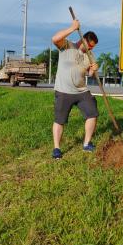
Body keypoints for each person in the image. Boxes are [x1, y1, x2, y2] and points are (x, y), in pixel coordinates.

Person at [51, 18, 99, 159]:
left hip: (81, 91)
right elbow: (55, 38)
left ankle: (86, 144)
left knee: (93, 113)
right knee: (60, 120)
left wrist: (93, 69)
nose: (90, 49)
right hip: (64, 90)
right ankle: (57, 149)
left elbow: (89, 74)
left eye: (92, 47)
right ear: (83, 39)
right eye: (89, 46)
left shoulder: (90, 56)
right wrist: (72, 28)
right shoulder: (67, 45)